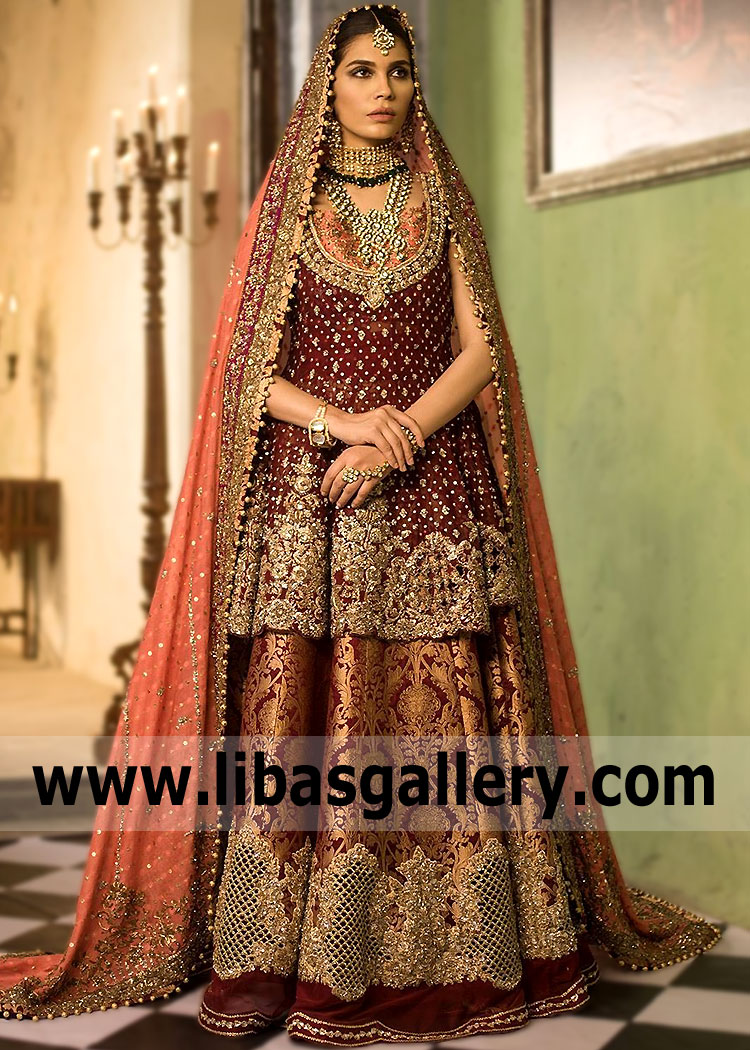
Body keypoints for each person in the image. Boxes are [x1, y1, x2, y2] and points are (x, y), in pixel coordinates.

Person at [0, 4, 722, 1045]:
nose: (384, 89)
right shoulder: (291, 207)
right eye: (361, 71)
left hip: (431, 493)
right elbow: (247, 370)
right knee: (303, 718)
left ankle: (468, 949)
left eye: (399, 70)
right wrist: (342, 425)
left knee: (446, 716)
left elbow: (482, 350)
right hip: (311, 500)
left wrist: (400, 436)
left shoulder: (442, 199)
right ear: (326, 86)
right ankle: (277, 954)